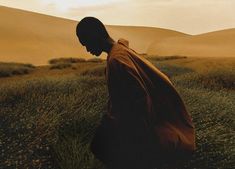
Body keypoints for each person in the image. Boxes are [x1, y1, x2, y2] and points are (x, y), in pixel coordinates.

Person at [76, 17, 196, 169]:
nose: (87, 49)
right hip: (139, 127)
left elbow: (140, 99)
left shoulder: (117, 60)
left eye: (86, 43)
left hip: (146, 131)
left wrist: (140, 139)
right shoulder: (120, 50)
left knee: (102, 146)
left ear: (96, 35)